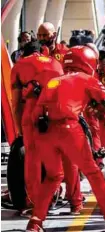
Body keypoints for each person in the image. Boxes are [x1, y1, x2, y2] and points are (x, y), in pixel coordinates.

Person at [26, 45, 105, 231]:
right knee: (93, 173)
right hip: (69, 130)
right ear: (89, 62)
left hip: (43, 133)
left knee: (53, 176)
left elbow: (36, 115)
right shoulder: (88, 80)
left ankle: (35, 223)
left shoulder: (53, 81)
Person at [10, 41, 83, 214]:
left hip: (33, 112)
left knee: (33, 160)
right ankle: (76, 203)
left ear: (23, 53)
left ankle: (36, 204)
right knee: (68, 156)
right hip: (59, 110)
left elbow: (15, 104)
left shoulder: (19, 66)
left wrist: (19, 128)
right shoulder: (55, 62)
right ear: (41, 50)